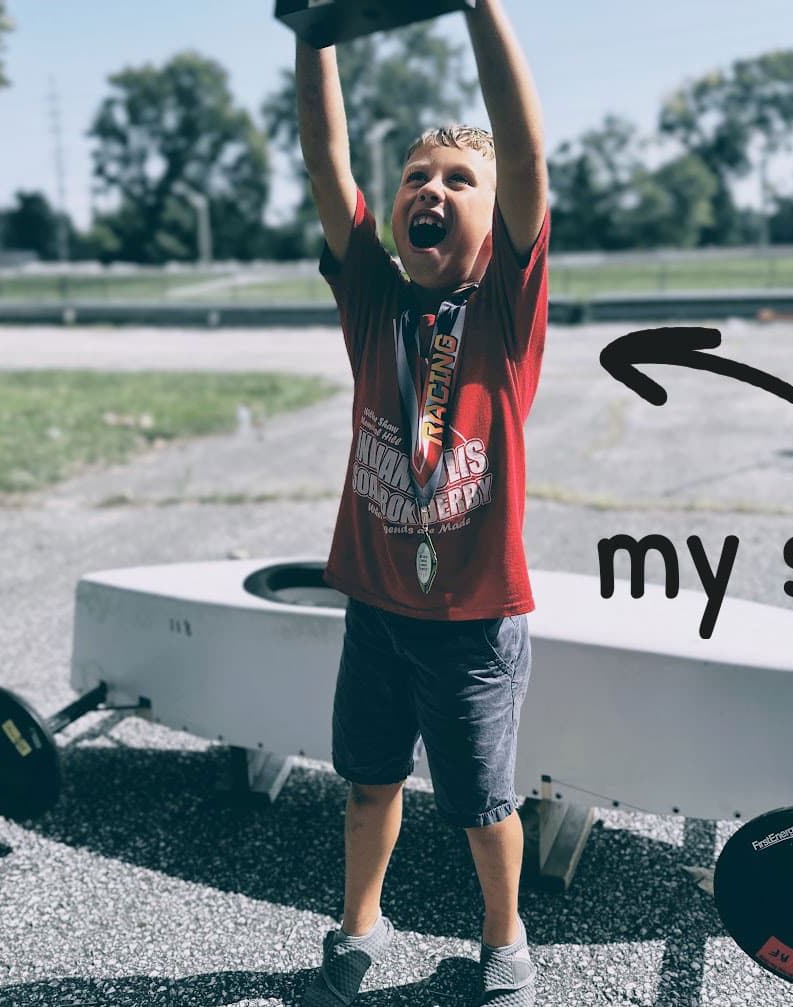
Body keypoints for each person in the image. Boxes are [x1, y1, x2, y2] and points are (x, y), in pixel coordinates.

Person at [294, 2, 548, 1003]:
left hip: (473, 623)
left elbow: (524, 159)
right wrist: (312, 38)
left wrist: (481, 6)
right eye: (416, 178)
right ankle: (359, 926)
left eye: (456, 180)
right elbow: (326, 163)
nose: (429, 189)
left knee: (480, 803)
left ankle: (501, 938)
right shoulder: (372, 302)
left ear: (496, 224)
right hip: (376, 607)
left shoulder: (503, 310)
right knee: (365, 780)